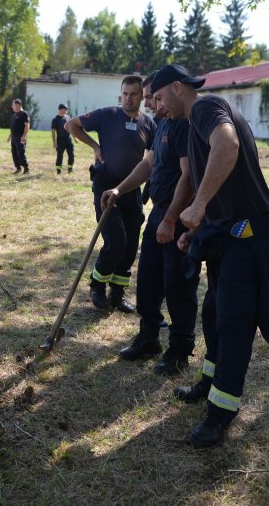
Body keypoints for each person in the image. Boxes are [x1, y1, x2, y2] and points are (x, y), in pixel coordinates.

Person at [150, 63, 269, 449]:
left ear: (178, 88)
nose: (157, 107)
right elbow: (194, 176)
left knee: (234, 321)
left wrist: (199, 206)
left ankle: (221, 414)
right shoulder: (192, 126)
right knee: (213, 312)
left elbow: (227, 146)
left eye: (159, 98)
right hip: (225, 231)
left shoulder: (207, 106)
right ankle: (210, 383)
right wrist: (192, 223)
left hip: (249, 232)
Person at [101, 73, 199, 375]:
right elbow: (148, 164)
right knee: (149, 279)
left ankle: (179, 350)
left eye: (155, 98)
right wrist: (120, 189)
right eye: (150, 98)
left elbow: (188, 176)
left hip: (177, 216)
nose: (149, 103)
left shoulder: (184, 126)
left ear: (173, 92)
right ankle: (149, 337)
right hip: (158, 212)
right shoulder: (163, 125)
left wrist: (171, 219)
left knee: (178, 284)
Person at [65, 75, 156, 313]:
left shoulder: (148, 124)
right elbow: (71, 125)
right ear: (120, 95)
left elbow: (154, 156)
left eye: (133, 94)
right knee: (116, 241)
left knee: (130, 244)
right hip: (106, 185)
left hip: (132, 188)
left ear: (140, 96)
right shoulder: (107, 115)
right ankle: (97, 285)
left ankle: (118, 293)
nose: (128, 98)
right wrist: (95, 146)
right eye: (125, 94)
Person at [8, 98, 30, 174]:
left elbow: (27, 125)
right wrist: (10, 136)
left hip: (20, 137)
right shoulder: (14, 115)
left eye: (13, 104)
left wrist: (24, 136)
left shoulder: (24, 114)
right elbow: (13, 127)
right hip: (14, 137)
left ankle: (26, 169)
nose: (12, 106)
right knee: (14, 153)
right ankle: (18, 168)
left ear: (18, 105)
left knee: (20, 153)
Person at [51, 103, 75, 174]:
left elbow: (71, 128)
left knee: (71, 155)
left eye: (67, 109)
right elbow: (53, 131)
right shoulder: (55, 120)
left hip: (68, 140)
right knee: (60, 156)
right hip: (60, 141)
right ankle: (58, 171)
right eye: (65, 109)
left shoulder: (68, 117)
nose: (66, 110)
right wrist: (54, 142)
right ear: (60, 110)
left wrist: (74, 137)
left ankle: (70, 169)